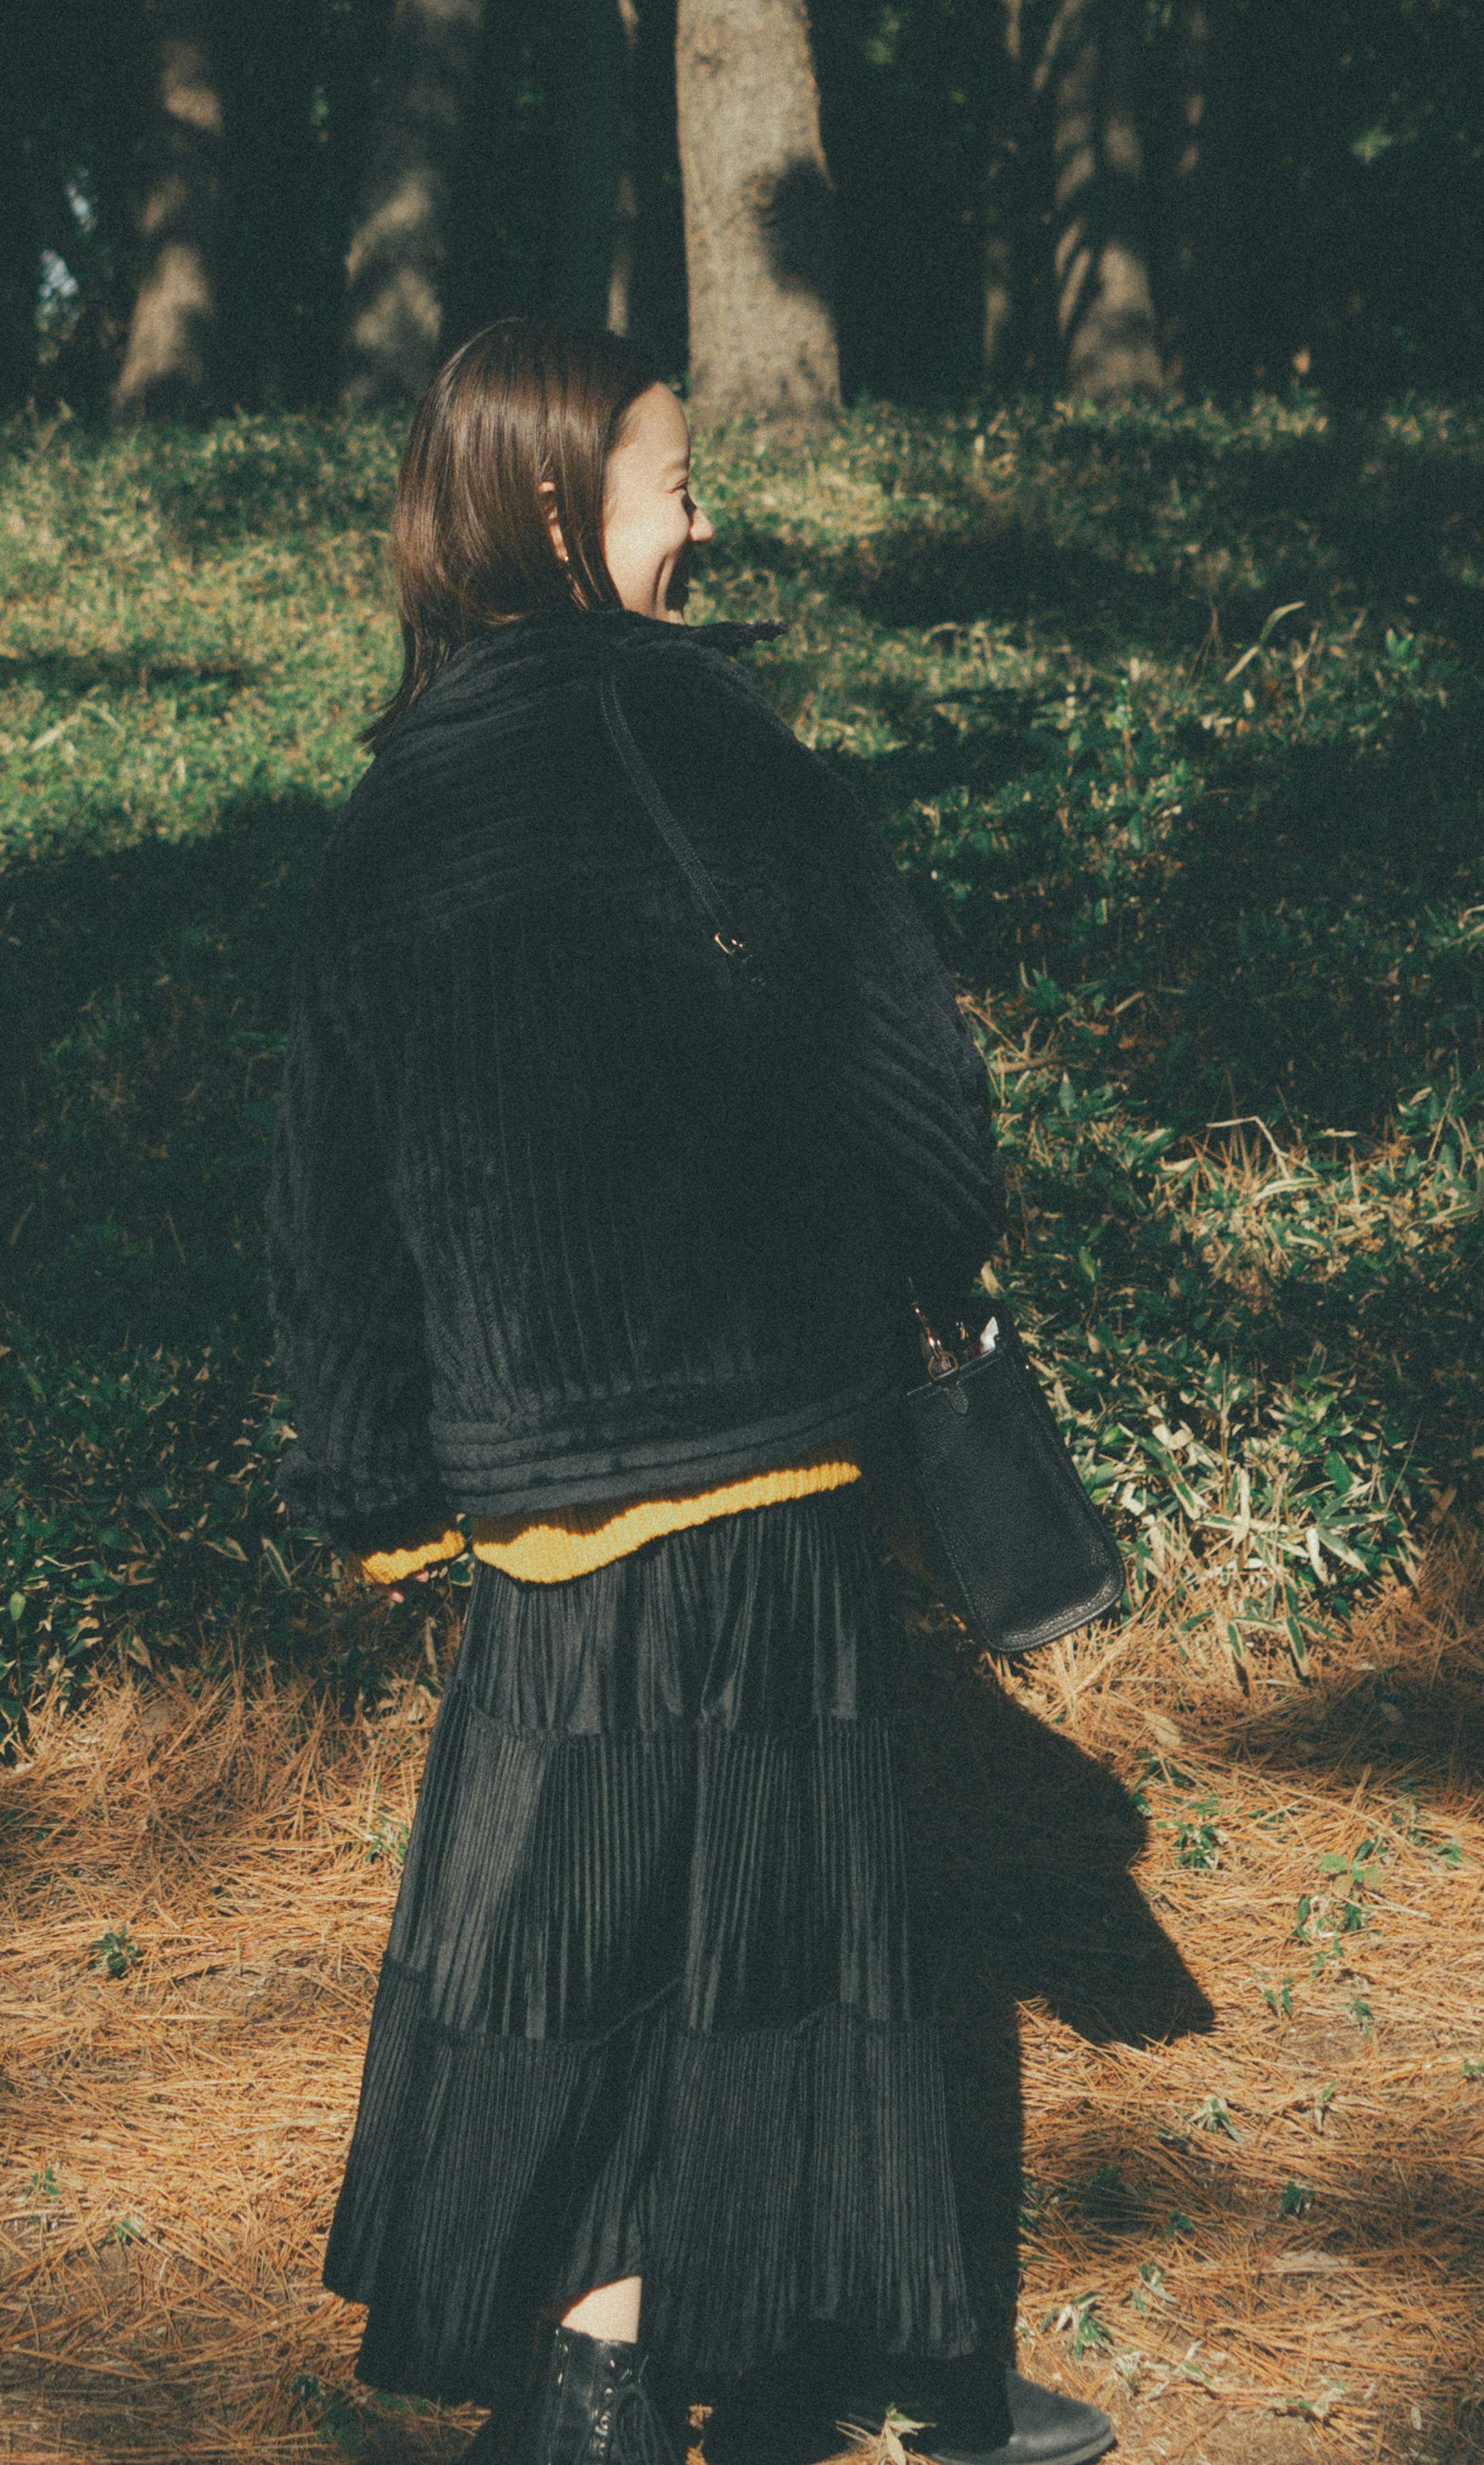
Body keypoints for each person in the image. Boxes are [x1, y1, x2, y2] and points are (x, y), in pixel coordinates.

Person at [267, 320, 1115, 2465]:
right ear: (562, 506)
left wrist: (380, 1476)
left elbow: (331, 1208)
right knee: (782, 1938)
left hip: (536, 1487)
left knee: (577, 1942)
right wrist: (930, 1267)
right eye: (671, 479)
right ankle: (749, 2381)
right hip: (752, 1430)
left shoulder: (389, 807)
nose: (704, 516)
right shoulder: (708, 738)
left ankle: (609, 2386)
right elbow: (912, 1083)